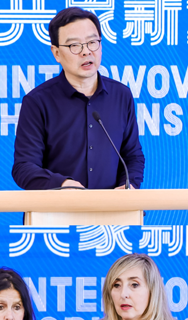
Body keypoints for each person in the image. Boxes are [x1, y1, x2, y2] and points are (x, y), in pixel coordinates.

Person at [12, 7, 145, 190]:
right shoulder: (37, 102)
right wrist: (62, 184)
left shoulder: (121, 95)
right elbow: (24, 167)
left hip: (113, 207)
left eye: (92, 42)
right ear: (56, 53)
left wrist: (128, 185)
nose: (86, 52)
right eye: (74, 45)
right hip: (58, 207)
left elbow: (132, 155)